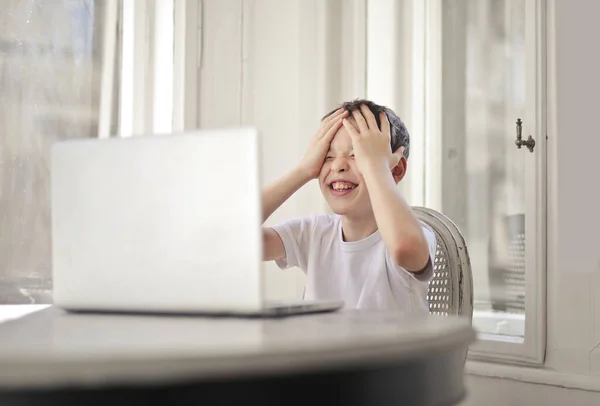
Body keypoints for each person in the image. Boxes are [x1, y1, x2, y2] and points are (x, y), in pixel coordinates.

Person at [261, 99, 436, 312]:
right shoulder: (314, 233)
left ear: (396, 170)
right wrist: (303, 170)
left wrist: (375, 166)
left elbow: (404, 248)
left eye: (357, 155)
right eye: (327, 156)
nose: (338, 165)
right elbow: (232, 237)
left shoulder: (416, 235)